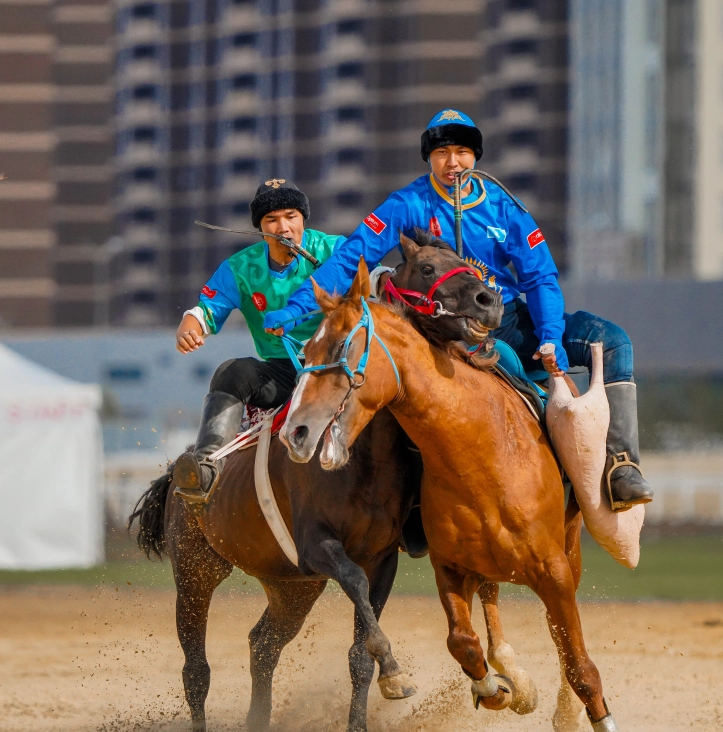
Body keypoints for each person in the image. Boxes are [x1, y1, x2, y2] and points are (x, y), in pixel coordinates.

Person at [264, 109, 654, 511]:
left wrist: (551, 334)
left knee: (613, 342)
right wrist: (295, 310)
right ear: (429, 158)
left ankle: (620, 467)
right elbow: (350, 260)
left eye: (463, 152)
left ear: (476, 156)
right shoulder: (407, 203)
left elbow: (540, 279)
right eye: (443, 153)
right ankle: (412, 507)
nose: (453, 163)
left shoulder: (505, 207)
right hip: (441, 330)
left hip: (505, 320)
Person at [172, 179, 345, 503]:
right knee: (231, 371)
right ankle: (207, 467)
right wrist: (188, 326)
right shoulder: (240, 268)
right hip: (283, 371)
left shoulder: (335, 250)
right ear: (260, 228)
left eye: (291, 216)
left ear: (303, 218)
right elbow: (206, 311)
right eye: (272, 219)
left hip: (338, 367)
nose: (284, 227)